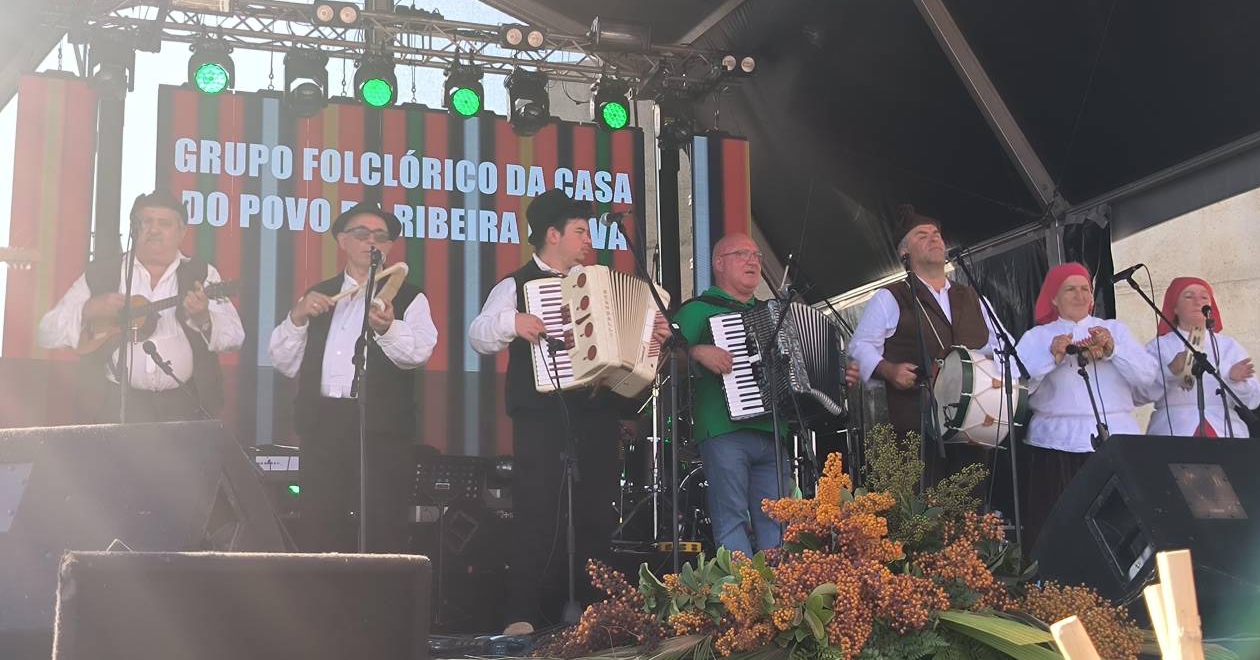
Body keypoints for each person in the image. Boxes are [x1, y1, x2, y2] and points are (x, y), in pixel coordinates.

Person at [468, 190, 669, 631]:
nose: (588, 241)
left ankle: (597, 616)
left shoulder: (601, 282)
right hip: (541, 419)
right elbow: (479, 334)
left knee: (596, 517)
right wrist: (513, 322)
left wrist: (654, 339)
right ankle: (522, 614)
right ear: (552, 235)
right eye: (580, 231)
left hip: (596, 417)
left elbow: (628, 359)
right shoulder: (516, 284)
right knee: (538, 513)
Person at [674, 233, 859, 556]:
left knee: (779, 521)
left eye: (757, 255)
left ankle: (777, 597)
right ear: (719, 263)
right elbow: (665, 357)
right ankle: (740, 595)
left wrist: (837, 373)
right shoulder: (697, 310)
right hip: (723, 429)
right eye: (741, 254)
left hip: (773, 430)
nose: (753, 261)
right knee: (731, 518)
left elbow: (803, 366)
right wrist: (697, 352)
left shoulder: (777, 313)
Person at [269, 202, 437, 554]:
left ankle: (378, 606)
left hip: (382, 429)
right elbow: (284, 361)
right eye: (362, 233)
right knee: (320, 523)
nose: (371, 241)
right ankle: (324, 605)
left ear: (389, 247)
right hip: (324, 425)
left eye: (381, 236)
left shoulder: (408, 295)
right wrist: (297, 317)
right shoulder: (320, 293)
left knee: (383, 524)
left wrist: (389, 328)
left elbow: (419, 352)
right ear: (343, 241)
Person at [38, 191, 244, 422]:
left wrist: (204, 318)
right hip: (113, 405)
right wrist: (88, 309)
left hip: (185, 404)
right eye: (146, 222)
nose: (154, 230)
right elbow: (47, 333)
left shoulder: (203, 274)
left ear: (182, 232)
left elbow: (234, 338)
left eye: (164, 224)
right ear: (134, 229)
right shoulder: (103, 273)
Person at [847, 205, 1004, 483]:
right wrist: (889, 370)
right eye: (922, 235)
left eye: (936, 234)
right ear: (904, 252)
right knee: (925, 513)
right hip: (916, 427)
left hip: (972, 426)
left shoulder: (972, 296)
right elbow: (860, 347)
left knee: (970, 512)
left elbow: (1003, 345)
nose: (933, 239)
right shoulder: (891, 297)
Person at [1017, 263, 1157, 549]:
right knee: (1057, 525)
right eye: (1070, 289)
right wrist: (1051, 355)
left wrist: (1114, 350)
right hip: (1056, 443)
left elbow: (1147, 377)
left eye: (1085, 289)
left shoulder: (1115, 329)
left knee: (1121, 523)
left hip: (1116, 436)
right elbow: (1017, 386)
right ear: (1054, 298)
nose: (1080, 295)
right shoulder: (1038, 337)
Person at [1142, 276, 1260, 438]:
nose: (1198, 302)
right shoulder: (1158, 346)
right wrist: (1170, 371)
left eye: (1204, 297)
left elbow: (1253, 401)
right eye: (1189, 296)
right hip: (1173, 429)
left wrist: (1234, 380)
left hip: (1223, 429)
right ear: (1174, 307)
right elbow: (1139, 393)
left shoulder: (1228, 346)